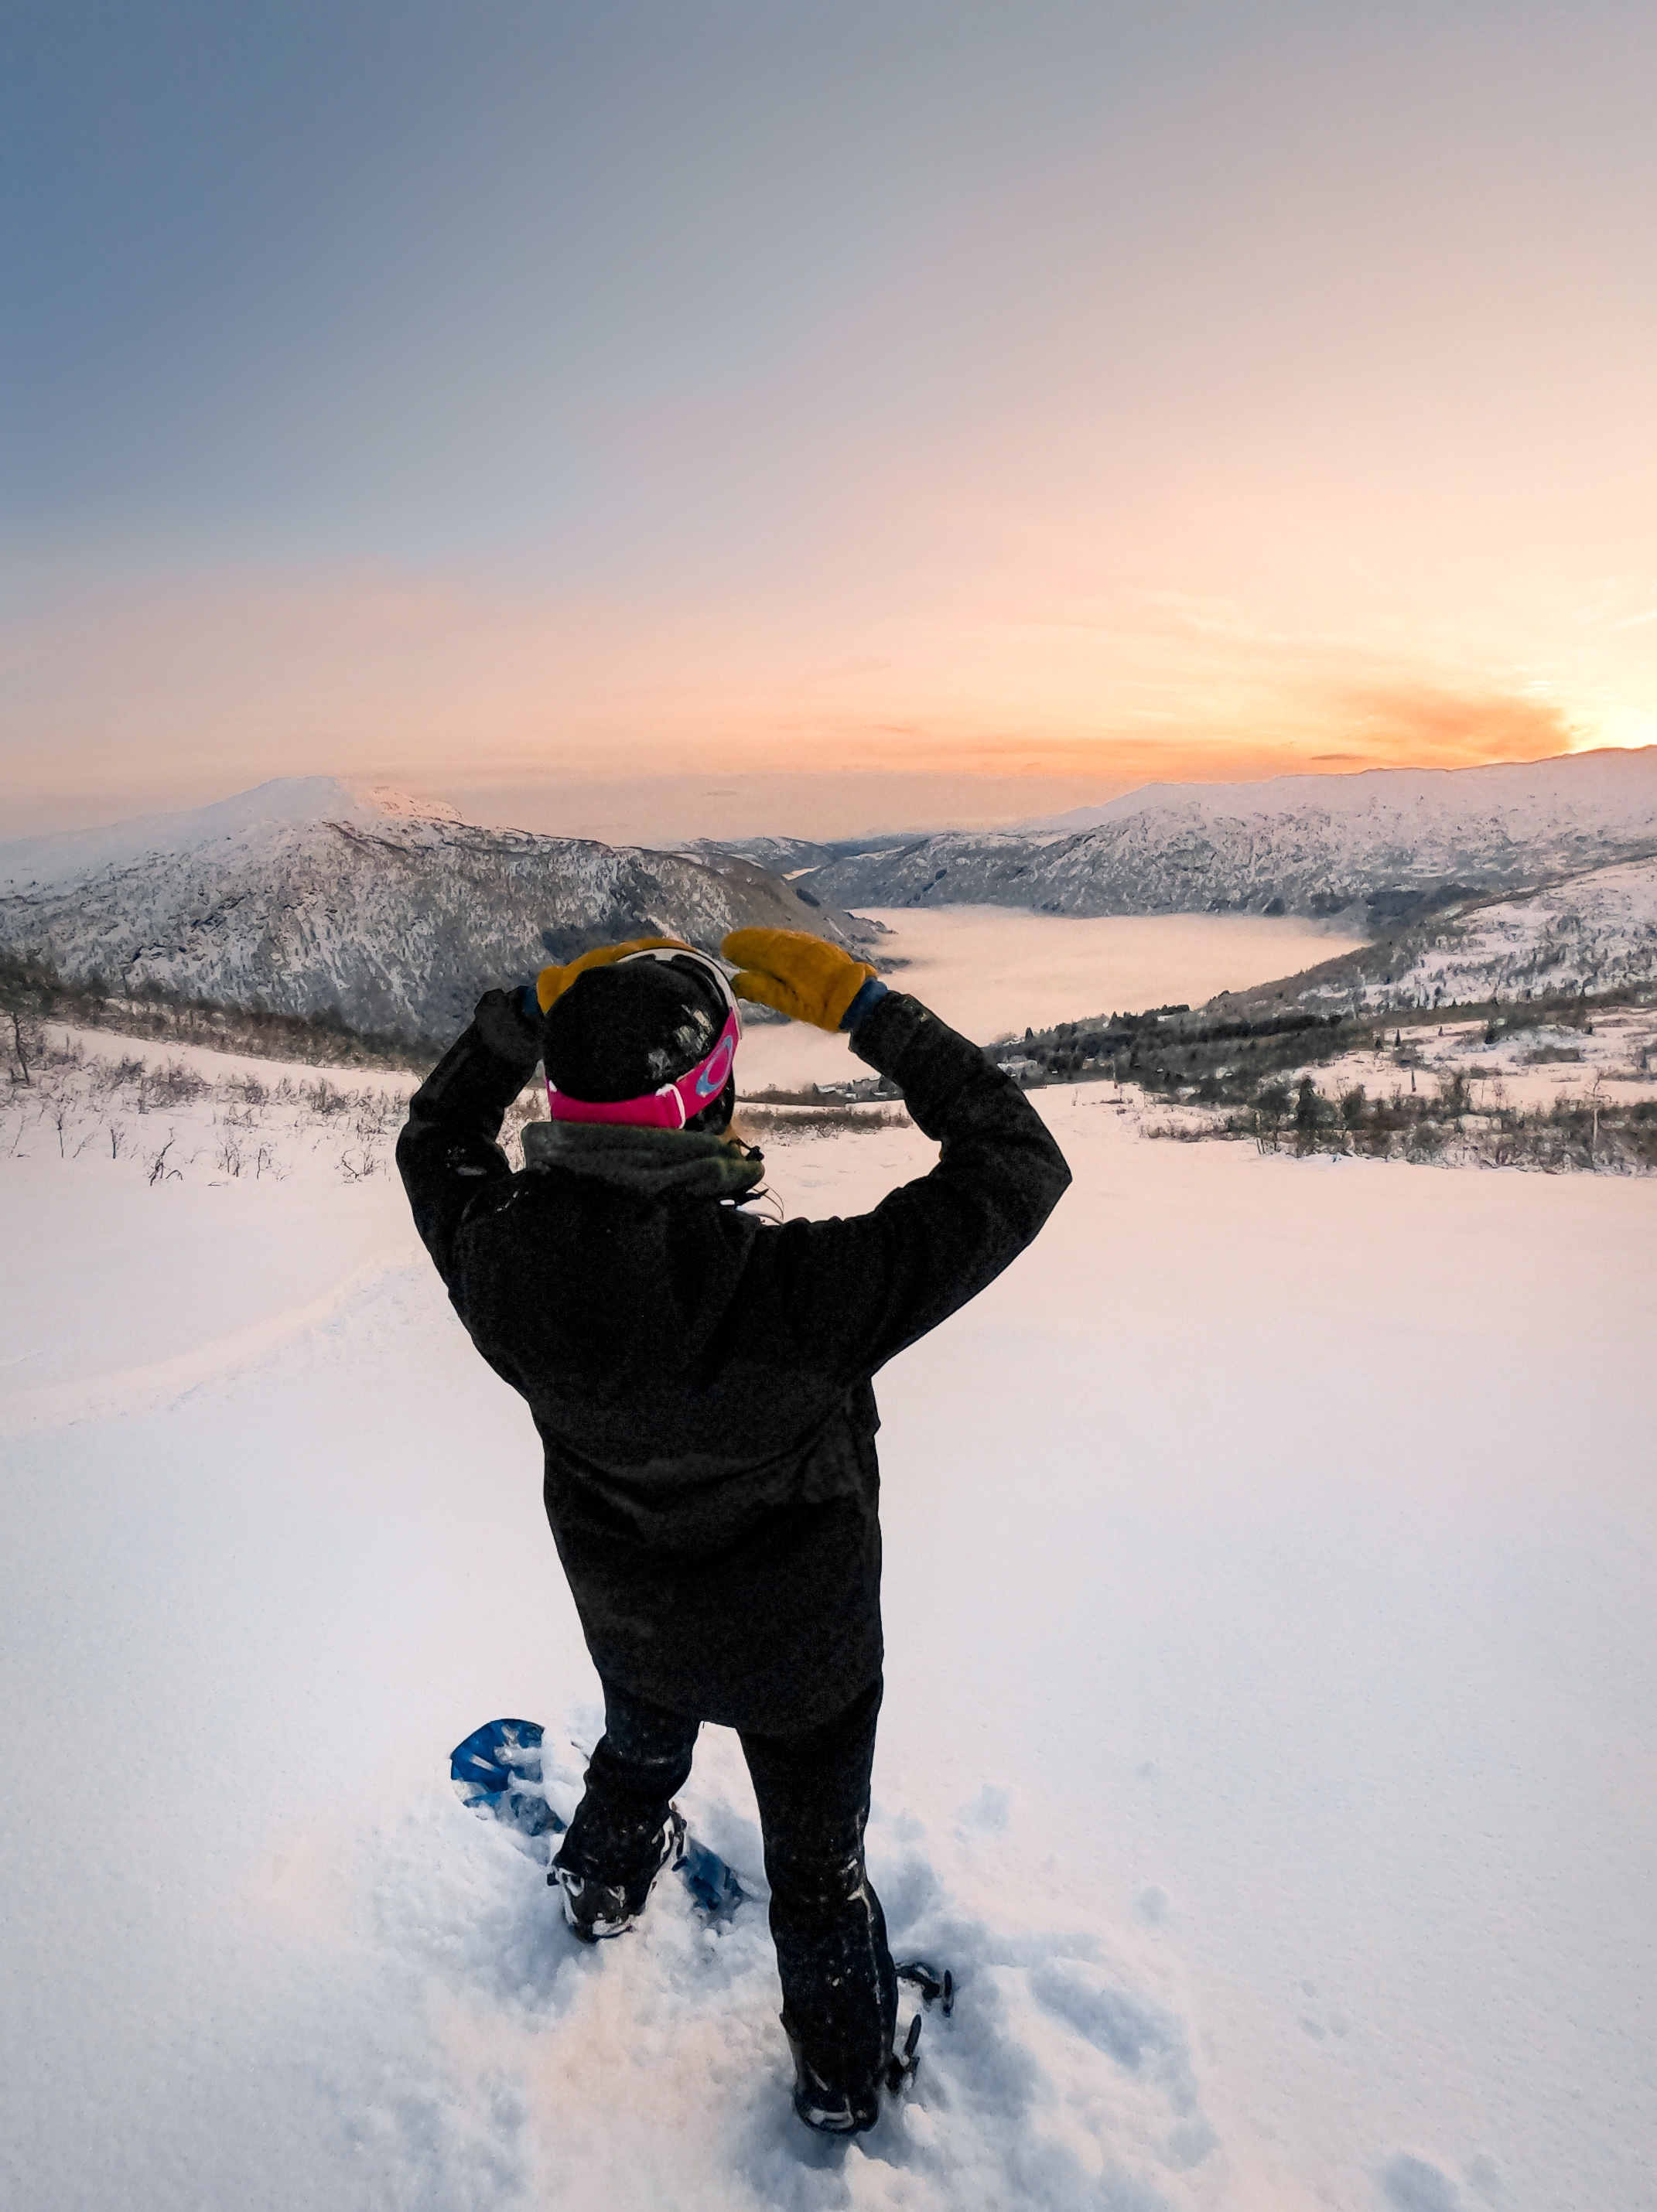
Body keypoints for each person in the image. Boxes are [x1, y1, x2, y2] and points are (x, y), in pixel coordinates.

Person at [397, 927, 1070, 2133]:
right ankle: (841, 2076)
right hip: (802, 1653)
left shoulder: (503, 1263)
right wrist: (868, 1012)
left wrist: (515, 1020)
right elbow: (1018, 1162)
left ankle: (603, 1885)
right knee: (816, 1877)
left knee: (641, 1745)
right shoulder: (800, 1295)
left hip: (631, 1612)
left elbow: (435, 1141)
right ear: (707, 1106)